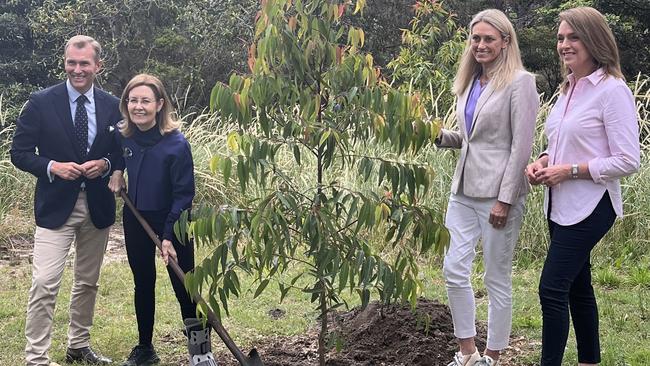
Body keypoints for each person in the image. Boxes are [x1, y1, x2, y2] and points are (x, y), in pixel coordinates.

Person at [525, 7, 640, 366]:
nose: (564, 44)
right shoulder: (568, 88)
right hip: (559, 204)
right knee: (577, 287)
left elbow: (628, 160)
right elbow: (561, 140)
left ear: (594, 40)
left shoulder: (612, 90)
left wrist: (569, 171)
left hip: (593, 205)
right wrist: (544, 160)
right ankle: (590, 361)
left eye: (573, 37)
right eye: (560, 38)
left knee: (551, 288)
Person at [435, 9, 539, 366]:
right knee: (453, 269)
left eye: (488, 39)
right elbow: (469, 139)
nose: (480, 45)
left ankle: (491, 356)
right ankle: (467, 352)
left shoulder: (520, 82)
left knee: (496, 276)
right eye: (475, 38)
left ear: (505, 42)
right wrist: (436, 134)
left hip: (498, 195)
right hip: (462, 191)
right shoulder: (469, 81)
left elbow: (520, 148)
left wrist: (505, 200)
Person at [10, 35, 120, 366]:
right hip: (55, 206)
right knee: (44, 282)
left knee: (88, 282)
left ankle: (78, 346)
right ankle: (37, 358)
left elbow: (121, 153)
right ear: (64, 63)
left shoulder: (114, 104)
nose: (77, 69)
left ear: (97, 66)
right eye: (71, 62)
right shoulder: (41, 102)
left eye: (84, 63)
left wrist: (107, 165)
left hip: (97, 206)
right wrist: (51, 166)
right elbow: (19, 153)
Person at [108, 74, 215, 366]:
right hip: (136, 217)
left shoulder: (176, 144)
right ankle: (145, 348)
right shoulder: (123, 134)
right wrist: (117, 170)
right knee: (143, 282)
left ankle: (201, 353)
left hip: (174, 220)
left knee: (185, 285)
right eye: (133, 100)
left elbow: (184, 195)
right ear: (126, 103)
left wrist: (168, 235)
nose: (138, 106)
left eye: (145, 100)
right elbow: (116, 152)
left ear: (159, 104)